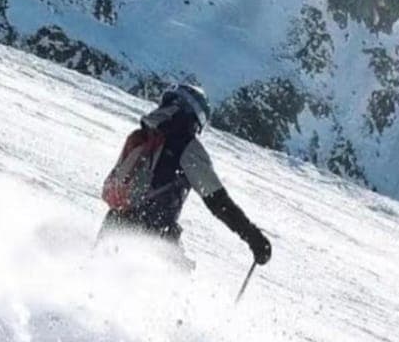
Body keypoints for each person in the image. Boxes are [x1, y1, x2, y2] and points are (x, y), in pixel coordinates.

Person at [98, 84, 271, 266]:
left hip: (113, 223)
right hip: (148, 238)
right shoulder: (186, 147)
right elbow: (218, 201)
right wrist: (253, 237)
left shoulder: (144, 135)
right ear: (196, 117)